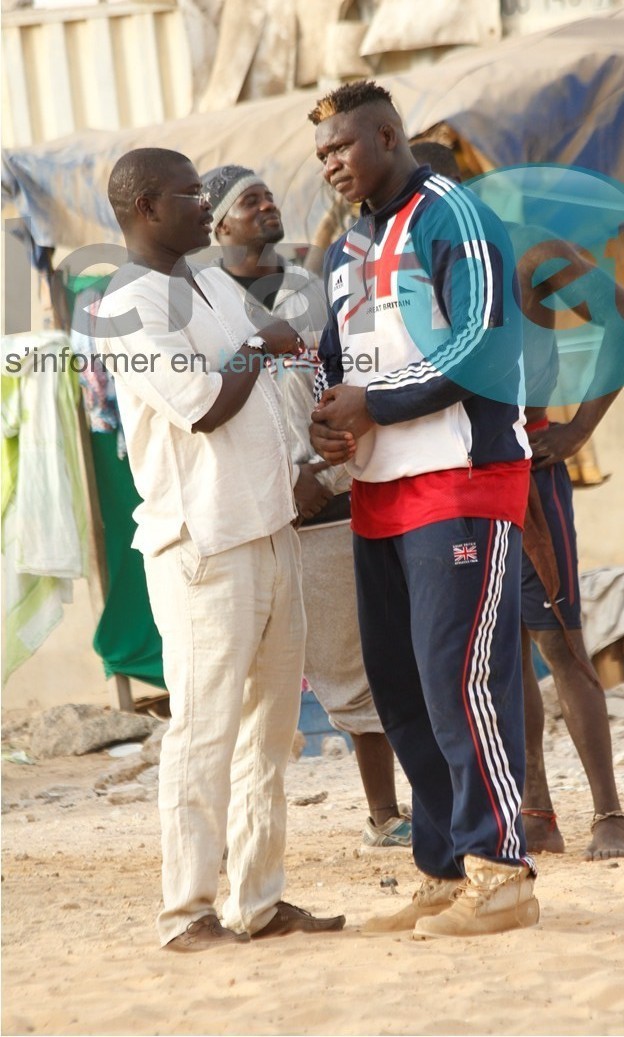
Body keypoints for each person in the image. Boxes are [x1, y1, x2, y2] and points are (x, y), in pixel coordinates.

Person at [307, 81, 539, 939]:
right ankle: (445, 868)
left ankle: (501, 869)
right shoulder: (344, 246)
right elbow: (340, 361)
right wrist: (331, 416)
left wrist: (373, 403)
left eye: (342, 147)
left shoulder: (454, 215)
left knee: (459, 677)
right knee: (402, 690)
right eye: (321, 155)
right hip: (379, 490)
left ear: (387, 135)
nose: (330, 164)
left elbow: (477, 344)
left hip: (461, 478)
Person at [99, 147, 345, 951]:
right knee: (203, 731)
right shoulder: (126, 307)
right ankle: (186, 913)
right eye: (187, 192)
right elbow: (203, 406)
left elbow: (272, 380)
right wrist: (260, 346)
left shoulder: (207, 283)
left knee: (273, 733)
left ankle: (257, 901)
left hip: (270, 528)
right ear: (144, 208)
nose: (205, 202)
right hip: (202, 544)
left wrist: (307, 452)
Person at [410, 140, 624, 860]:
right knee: (493, 657)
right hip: (454, 479)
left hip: (528, 472)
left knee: (559, 644)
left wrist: (577, 426)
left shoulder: (526, 255)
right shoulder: (413, 272)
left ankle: (608, 813)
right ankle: (535, 810)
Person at [199, 163, 412, 851]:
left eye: (268, 195)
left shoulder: (310, 289)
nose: (266, 206)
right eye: (248, 201)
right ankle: (378, 815)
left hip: (347, 490)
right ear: (218, 224)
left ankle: (409, 806)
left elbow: (355, 381)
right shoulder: (204, 308)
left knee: (390, 655)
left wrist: (325, 475)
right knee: (329, 671)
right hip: (268, 512)